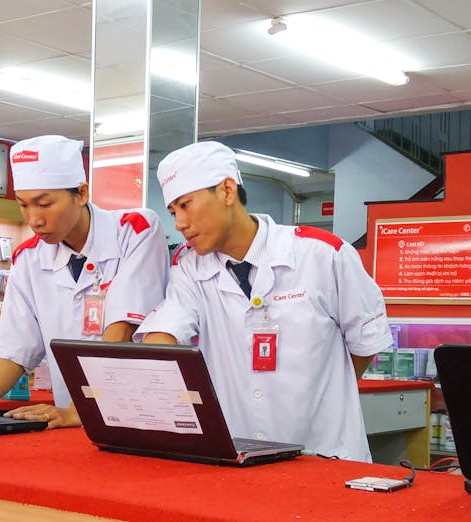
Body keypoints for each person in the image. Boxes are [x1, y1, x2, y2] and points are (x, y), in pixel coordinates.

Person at [133, 141, 394, 461]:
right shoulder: (189, 266)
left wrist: (324, 395)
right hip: (241, 458)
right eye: (173, 211)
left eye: (186, 205)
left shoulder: (323, 254)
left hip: (324, 452)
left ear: (227, 191)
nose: (179, 224)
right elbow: (167, 330)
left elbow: (365, 345)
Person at [0, 134, 169, 427]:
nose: (34, 219)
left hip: (141, 417)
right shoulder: (28, 259)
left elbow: (121, 332)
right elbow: (16, 350)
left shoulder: (134, 231)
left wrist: (78, 411)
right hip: (71, 423)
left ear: (81, 194)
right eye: (23, 205)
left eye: (44, 204)